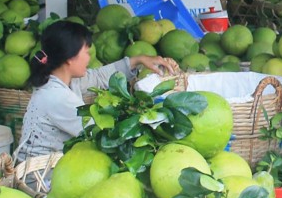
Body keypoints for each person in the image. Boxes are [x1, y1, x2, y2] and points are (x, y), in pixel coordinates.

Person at [13, 20, 178, 162]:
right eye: (86, 52)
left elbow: (99, 76)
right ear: (70, 58)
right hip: (40, 179)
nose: (90, 58)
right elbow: (100, 133)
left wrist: (139, 60)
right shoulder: (56, 96)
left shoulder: (65, 80)